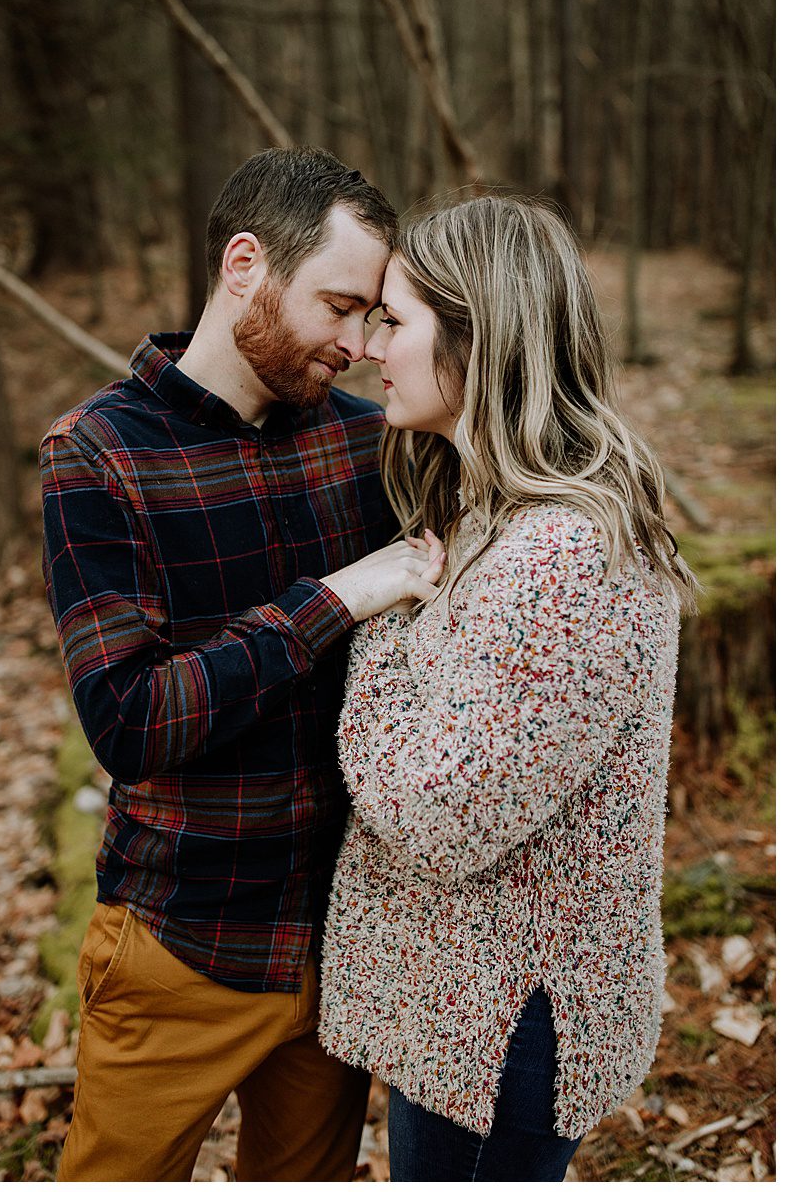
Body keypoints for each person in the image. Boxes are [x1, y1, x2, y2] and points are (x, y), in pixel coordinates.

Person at [42, 147, 446, 1182]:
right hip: (179, 946)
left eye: (372, 318)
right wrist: (338, 595)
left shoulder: (369, 442)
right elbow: (130, 720)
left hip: (340, 949)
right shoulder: (98, 452)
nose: (356, 344)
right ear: (243, 264)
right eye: (338, 306)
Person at [319, 195, 694, 1180]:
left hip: (510, 1026)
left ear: (477, 336)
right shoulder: (497, 514)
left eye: (394, 320)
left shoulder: (567, 556)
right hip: (467, 1004)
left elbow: (447, 812)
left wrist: (376, 624)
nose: (366, 347)